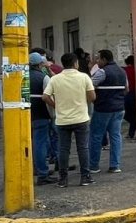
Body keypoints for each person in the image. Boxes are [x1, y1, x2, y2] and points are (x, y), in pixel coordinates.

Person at [43, 52, 96, 187]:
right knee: (83, 148)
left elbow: (45, 96)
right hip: (81, 118)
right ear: (75, 63)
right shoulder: (84, 77)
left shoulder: (55, 79)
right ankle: (85, 177)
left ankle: (63, 179)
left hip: (62, 120)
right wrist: (83, 103)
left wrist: (56, 105)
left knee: (63, 149)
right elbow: (92, 96)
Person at [88, 49, 127, 174]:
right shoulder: (122, 71)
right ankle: (115, 166)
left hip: (103, 108)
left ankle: (93, 166)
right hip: (119, 108)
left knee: (96, 136)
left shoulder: (102, 72)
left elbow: (89, 86)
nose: (97, 61)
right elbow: (126, 89)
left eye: (98, 58)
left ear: (104, 59)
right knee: (115, 136)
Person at [28, 52, 56, 186]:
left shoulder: (22, 76)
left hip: (26, 114)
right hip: (41, 114)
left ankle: (35, 169)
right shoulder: (43, 77)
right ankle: (42, 174)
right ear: (40, 64)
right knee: (40, 144)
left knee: (31, 143)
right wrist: (53, 112)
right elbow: (48, 96)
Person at [123, 55, 136, 139]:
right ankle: (132, 132)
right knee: (134, 114)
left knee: (127, 114)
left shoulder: (124, 70)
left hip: (126, 94)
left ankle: (131, 132)